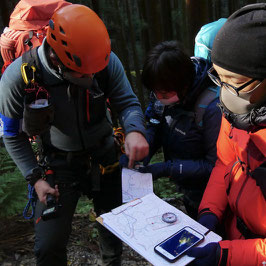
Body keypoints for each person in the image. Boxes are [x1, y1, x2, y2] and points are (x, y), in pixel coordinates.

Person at [0, 4, 149, 266]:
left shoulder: (103, 60)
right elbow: (12, 135)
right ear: (57, 59)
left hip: (106, 156)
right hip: (58, 165)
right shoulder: (19, 77)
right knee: (48, 246)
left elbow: (127, 103)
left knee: (113, 234)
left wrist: (135, 130)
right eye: (83, 73)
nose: (92, 77)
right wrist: (36, 178)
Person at [187, 3, 266, 265]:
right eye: (217, 77)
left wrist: (228, 256)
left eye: (231, 80)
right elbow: (226, 161)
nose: (223, 92)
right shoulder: (238, 111)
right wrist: (209, 210)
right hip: (235, 234)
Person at [137, 40, 222, 219]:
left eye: (164, 94)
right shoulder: (163, 91)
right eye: (155, 92)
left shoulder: (211, 107)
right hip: (187, 190)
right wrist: (143, 150)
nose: (159, 98)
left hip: (212, 197)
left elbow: (215, 166)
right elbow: (154, 125)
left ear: (184, 85)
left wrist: (168, 169)